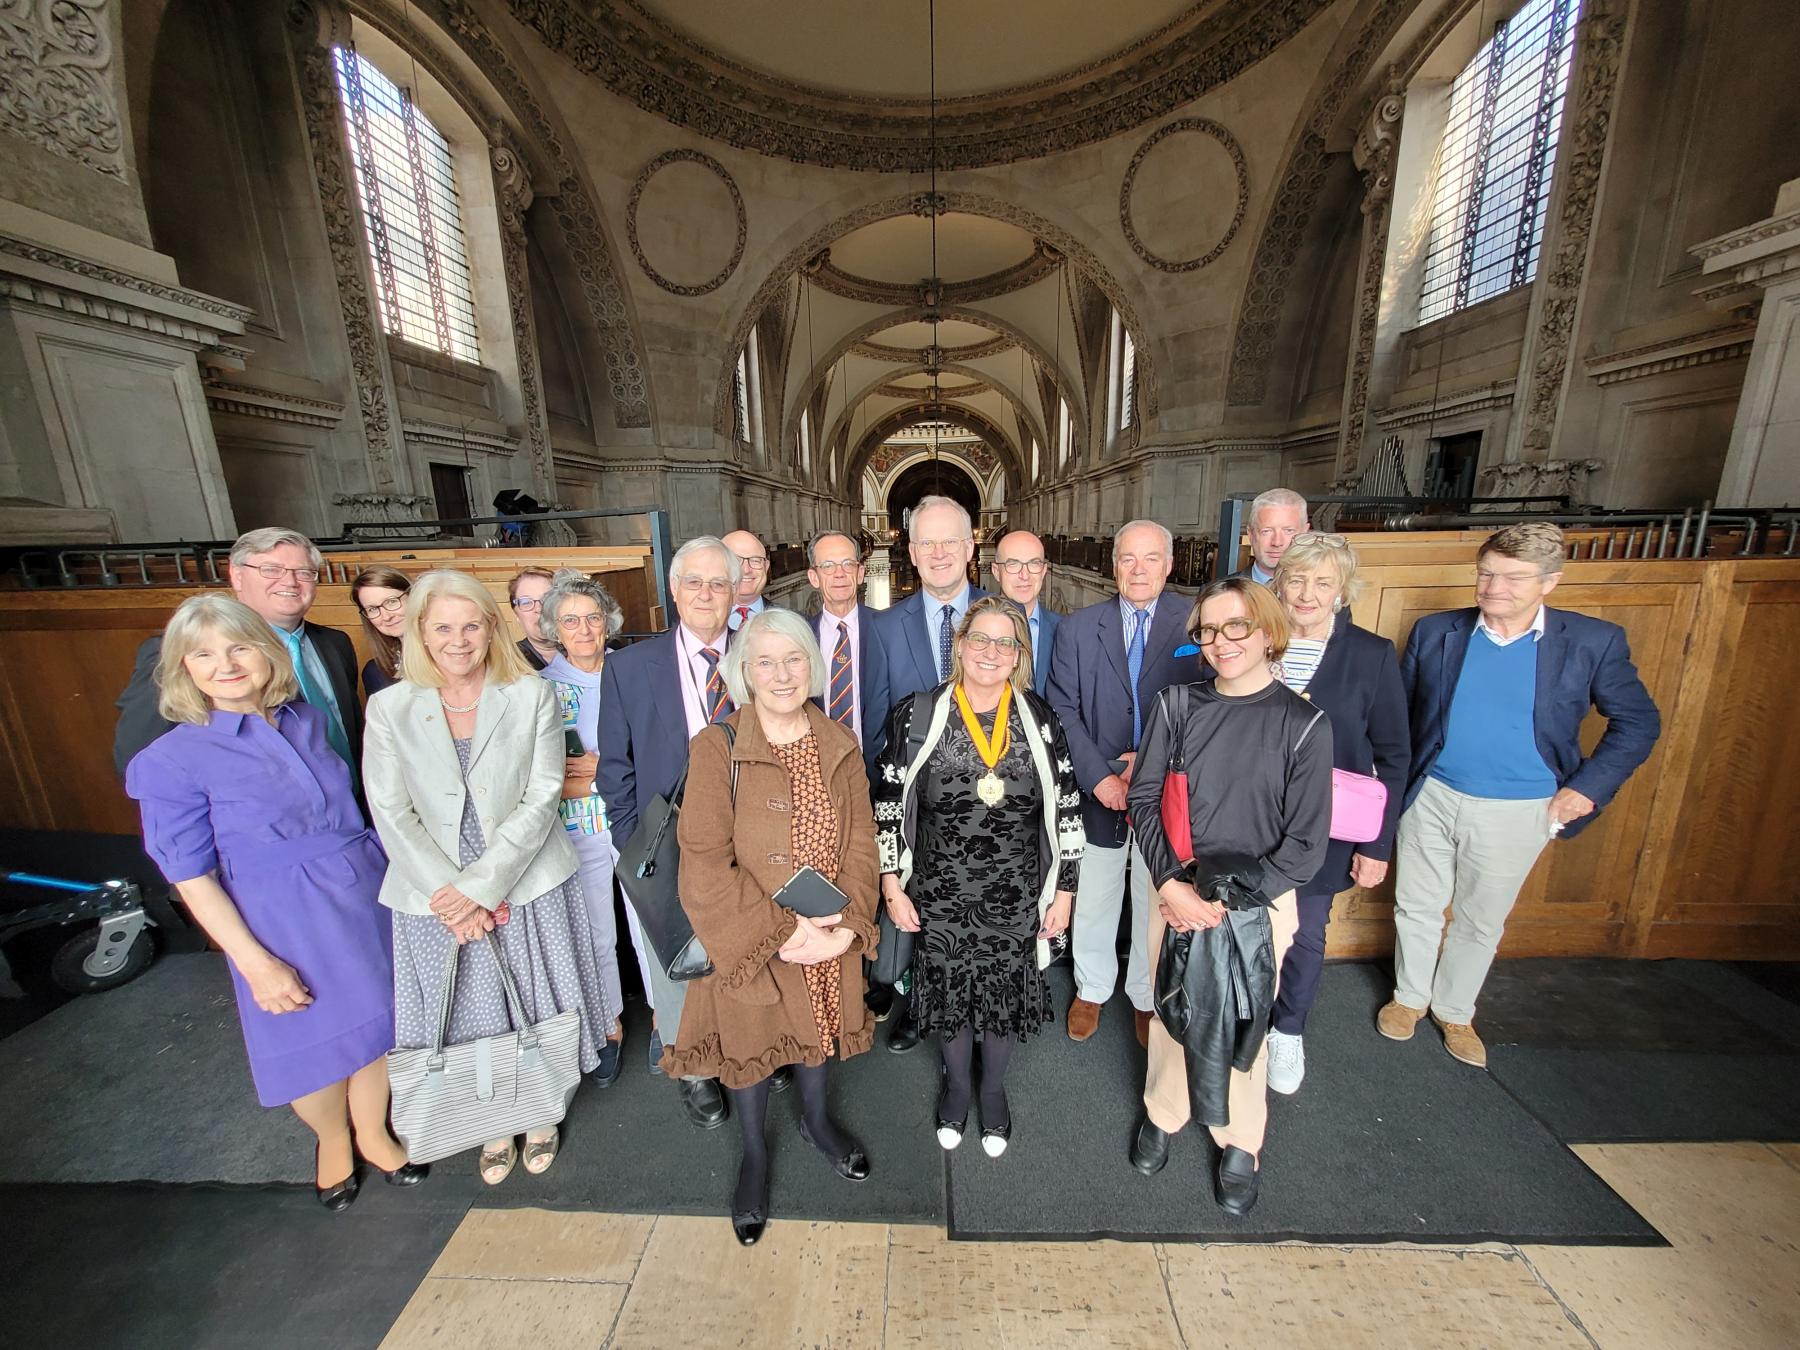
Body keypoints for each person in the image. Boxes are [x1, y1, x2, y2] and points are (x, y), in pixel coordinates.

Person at [123, 595, 422, 1212]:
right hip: (278, 914)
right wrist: (255, 962)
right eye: (201, 655)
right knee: (306, 1038)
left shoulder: (304, 720)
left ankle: (372, 1131)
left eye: (237, 647)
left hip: (362, 890)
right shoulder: (168, 760)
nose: (224, 664)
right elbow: (190, 875)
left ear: (265, 651)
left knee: (382, 1025)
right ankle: (331, 1140)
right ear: (182, 669)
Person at [362, 569, 614, 1185]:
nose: (458, 638)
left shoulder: (528, 694)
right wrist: (454, 895)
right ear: (420, 632)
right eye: (442, 626)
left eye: (471, 624)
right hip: (433, 886)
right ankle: (487, 1120)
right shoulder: (390, 706)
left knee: (532, 993)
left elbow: (544, 792)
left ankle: (538, 1111)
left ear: (491, 627)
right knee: (467, 1005)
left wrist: (481, 886)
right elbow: (390, 809)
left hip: (521, 874)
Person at [1382, 523, 1660, 1066]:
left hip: (1522, 806)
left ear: (1549, 583)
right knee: (1415, 904)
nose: (1494, 587)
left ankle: (1455, 1009)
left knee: (1480, 917)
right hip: (1432, 792)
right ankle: (1408, 998)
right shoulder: (1437, 631)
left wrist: (1586, 789)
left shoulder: (1591, 642)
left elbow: (1639, 723)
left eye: (1512, 577)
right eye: (1486, 573)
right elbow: (1402, 715)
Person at [668, 609, 881, 1245]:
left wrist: (847, 924)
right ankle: (755, 1154)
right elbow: (704, 861)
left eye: (794, 659)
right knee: (752, 1041)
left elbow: (864, 840)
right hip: (752, 936)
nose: (782, 674)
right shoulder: (718, 747)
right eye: (766, 661)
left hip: (830, 924)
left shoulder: (839, 742)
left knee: (818, 1025)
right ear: (745, 673)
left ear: (812, 667)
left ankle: (817, 1122)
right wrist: (785, 934)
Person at [1126, 578, 1333, 1216]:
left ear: (1268, 630)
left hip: (1256, 905)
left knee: (1246, 1021)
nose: (1221, 643)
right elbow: (1144, 799)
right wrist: (1169, 885)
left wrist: (1233, 905)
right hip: (1177, 892)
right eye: (1209, 631)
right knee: (1172, 1010)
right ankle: (1165, 1111)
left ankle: (1240, 1141)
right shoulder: (1176, 705)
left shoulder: (1303, 724)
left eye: (1236, 626)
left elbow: (1305, 844)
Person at [876, 597, 1083, 1160]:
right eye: (981, 640)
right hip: (939, 889)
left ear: (1019, 655)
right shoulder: (916, 714)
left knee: (999, 996)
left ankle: (991, 1090)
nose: (991, 652)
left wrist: (1064, 891)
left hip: (1016, 890)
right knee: (947, 995)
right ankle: (958, 1086)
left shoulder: (1040, 719)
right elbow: (889, 806)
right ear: (960, 645)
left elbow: (1067, 808)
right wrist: (892, 885)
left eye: (1005, 643)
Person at [596, 537, 741, 1128]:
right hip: (667, 838)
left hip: (750, 836)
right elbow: (615, 768)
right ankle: (694, 1066)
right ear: (674, 590)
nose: (706, 595)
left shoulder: (763, 656)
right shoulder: (630, 666)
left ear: (735, 593)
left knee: (746, 947)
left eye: (719, 584)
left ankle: (751, 1043)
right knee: (674, 959)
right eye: (694, 583)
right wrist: (638, 846)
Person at [1263, 534, 1409, 1094]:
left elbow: (1395, 755)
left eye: (1322, 583)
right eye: (1297, 579)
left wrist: (1377, 845)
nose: (1306, 593)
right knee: (1243, 927)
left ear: (1342, 591)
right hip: (1250, 820)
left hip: (1324, 829)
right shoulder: (1257, 641)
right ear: (1279, 581)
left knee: (1304, 933)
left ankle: (1288, 1030)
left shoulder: (1370, 655)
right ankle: (1242, 1024)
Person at [1046, 520, 1190, 1046]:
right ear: (1113, 566)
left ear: (1169, 565)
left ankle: (1146, 995)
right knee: (1098, 892)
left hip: (1167, 788)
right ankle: (1092, 987)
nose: (1139, 569)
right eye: (1128, 558)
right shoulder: (1079, 627)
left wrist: (1149, 766)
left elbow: (1210, 702)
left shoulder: (1196, 622)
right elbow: (1061, 709)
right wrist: (1102, 776)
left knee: (1156, 896)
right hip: (1100, 786)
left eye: (1151, 558)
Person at [868, 494, 988, 1052]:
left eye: (950, 541)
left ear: (970, 546)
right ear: (911, 553)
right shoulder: (884, 627)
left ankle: (971, 1000)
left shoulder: (1000, 617)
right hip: (916, 800)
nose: (939, 553)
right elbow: (875, 719)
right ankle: (921, 1004)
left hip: (989, 799)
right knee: (915, 904)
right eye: (927, 543)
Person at [114, 527, 361, 774]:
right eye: (271, 569)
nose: (290, 582)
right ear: (237, 575)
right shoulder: (179, 651)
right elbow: (139, 760)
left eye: (303, 572)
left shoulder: (335, 643)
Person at [538, 570, 630, 1088]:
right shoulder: (542, 690)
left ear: (607, 623)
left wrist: (599, 768)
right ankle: (608, 1022)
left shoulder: (632, 671)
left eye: (593, 618)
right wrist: (586, 772)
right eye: (570, 620)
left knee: (649, 924)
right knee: (596, 931)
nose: (584, 629)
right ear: (555, 627)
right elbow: (544, 773)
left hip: (634, 815)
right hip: (579, 826)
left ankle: (668, 1021)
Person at [806, 529, 888, 759]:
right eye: (828, 566)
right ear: (814, 577)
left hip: (877, 769)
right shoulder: (800, 637)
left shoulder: (888, 630)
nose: (839, 573)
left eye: (847, 564)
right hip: (819, 769)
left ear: (860, 573)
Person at [990, 529, 1062, 696]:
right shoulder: (973, 629)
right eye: (1013, 564)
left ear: (1044, 570)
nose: (1024, 575)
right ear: (995, 571)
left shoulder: (1064, 630)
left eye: (1034, 564)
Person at [352, 566, 412, 699]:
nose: (386, 616)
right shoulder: (375, 672)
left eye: (391, 602)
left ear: (413, 596)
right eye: (373, 609)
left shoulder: (454, 654)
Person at [1240, 488, 1309, 585]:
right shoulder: (1222, 595)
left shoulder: (1328, 594)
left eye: (1288, 531)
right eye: (1267, 531)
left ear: (1304, 533)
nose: (1277, 542)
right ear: (1251, 534)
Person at [722, 529, 778, 632]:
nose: (746, 570)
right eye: (735, 561)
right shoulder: (695, 621)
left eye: (755, 560)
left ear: (766, 567)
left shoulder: (794, 622)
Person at [508, 567, 558, 671]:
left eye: (547, 599)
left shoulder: (585, 649)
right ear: (517, 615)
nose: (539, 609)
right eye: (526, 602)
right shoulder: (508, 661)